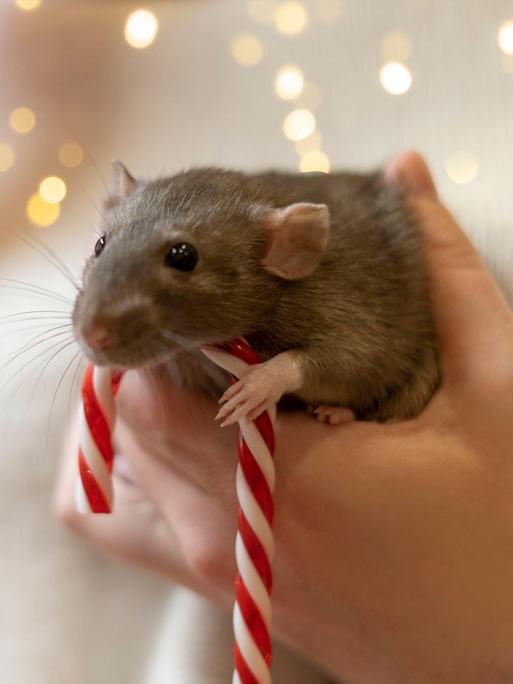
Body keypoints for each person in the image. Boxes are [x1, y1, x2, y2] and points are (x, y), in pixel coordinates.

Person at [55, 152, 513, 683]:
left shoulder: (313, 288)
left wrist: (489, 644)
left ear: (286, 248)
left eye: (180, 258)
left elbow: (371, 356)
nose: (96, 329)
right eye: (102, 245)